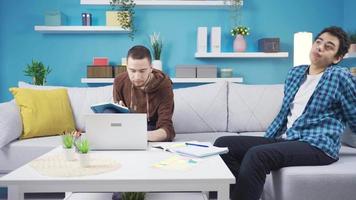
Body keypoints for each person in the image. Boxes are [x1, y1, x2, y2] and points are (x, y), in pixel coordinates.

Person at [214, 26, 356, 200]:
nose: (320, 47)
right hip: (290, 139)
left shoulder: (339, 76)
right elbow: (284, 114)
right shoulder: (295, 74)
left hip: (318, 146)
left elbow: (354, 115)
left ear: (337, 58)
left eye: (329, 46)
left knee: (257, 155)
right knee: (222, 145)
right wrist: (267, 141)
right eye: (318, 42)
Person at [113, 45, 175, 142]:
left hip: (153, 131)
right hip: (128, 129)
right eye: (132, 71)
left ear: (151, 68)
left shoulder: (164, 84)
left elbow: (166, 128)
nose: (137, 77)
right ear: (126, 68)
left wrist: (138, 136)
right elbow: (118, 123)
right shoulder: (119, 81)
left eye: (142, 71)